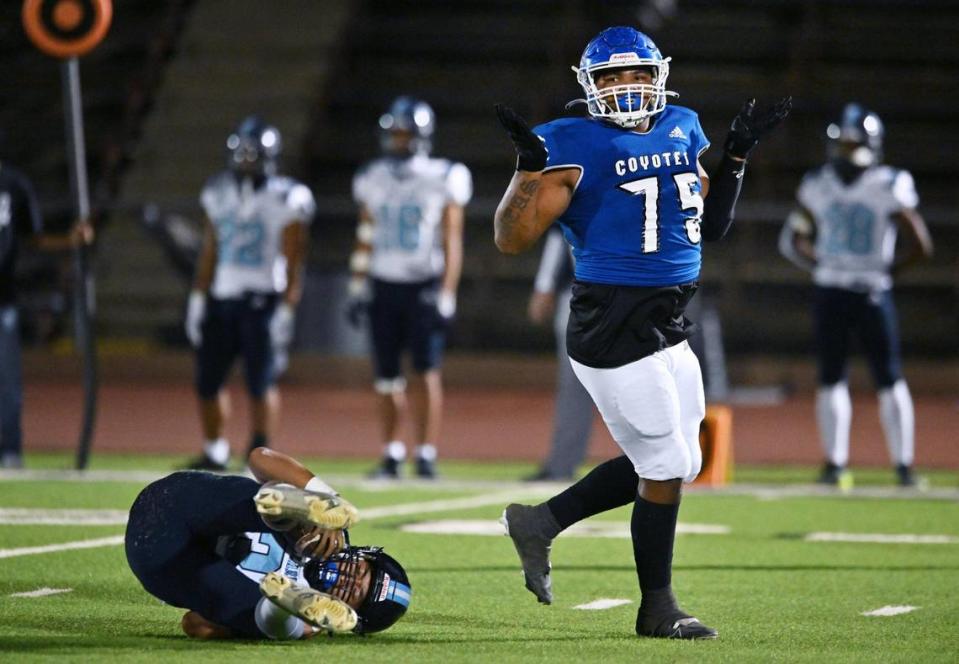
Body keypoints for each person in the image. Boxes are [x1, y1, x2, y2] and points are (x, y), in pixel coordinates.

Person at [492, 26, 789, 639]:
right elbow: (510, 238)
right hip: (612, 321)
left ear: (659, 76)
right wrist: (526, 171)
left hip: (668, 318)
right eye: (610, 76)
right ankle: (658, 608)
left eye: (635, 73)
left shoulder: (682, 125)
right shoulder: (569, 140)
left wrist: (734, 156)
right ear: (589, 85)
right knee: (664, 466)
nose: (626, 86)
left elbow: (711, 226)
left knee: (684, 459)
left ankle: (542, 521)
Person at [779, 104, 933, 488]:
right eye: (843, 145)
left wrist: (883, 271)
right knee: (832, 378)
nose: (847, 153)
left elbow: (920, 243)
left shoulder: (889, 182)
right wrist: (827, 264)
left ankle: (903, 464)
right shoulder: (819, 183)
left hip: (867, 292)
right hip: (838, 290)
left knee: (889, 377)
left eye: (853, 145)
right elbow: (795, 239)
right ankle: (837, 463)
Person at [125, 447, 412, 639]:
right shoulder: (330, 532)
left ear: (349, 616)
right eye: (362, 573)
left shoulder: (312, 622)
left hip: (161, 556)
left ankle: (280, 607)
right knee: (297, 521)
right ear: (364, 555)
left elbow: (195, 624)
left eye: (357, 593)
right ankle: (283, 509)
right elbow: (260, 458)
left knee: (270, 620)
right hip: (183, 501)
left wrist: (257, 621)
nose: (350, 580)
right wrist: (328, 499)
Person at [347, 96, 472, 479]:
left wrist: (447, 293)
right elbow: (365, 235)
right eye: (395, 133)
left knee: (426, 371)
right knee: (386, 377)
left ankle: (426, 453)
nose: (398, 140)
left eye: (405, 133)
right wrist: (356, 285)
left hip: (423, 285)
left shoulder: (444, 174)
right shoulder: (372, 176)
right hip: (384, 285)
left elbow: (452, 239)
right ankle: (391, 453)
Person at [184, 116, 315, 470]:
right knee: (207, 381)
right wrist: (198, 297)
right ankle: (215, 450)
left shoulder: (286, 197)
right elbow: (211, 249)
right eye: (241, 154)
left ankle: (259, 452)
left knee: (260, 382)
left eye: (253, 155)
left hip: (262, 301)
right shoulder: (218, 191)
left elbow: (293, 258)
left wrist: (288, 308)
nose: (246, 161)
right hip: (222, 298)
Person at [1, 148, 93, 469]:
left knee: (7, 382)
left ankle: (9, 450)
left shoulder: (12, 184)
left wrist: (70, 240)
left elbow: (32, 238)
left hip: (3, 298)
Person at [525, 225, 596, 481]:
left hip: (623, 295)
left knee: (637, 386)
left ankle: (651, 465)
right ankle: (562, 464)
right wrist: (545, 284)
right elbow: (562, 228)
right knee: (574, 387)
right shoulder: (579, 188)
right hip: (583, 296)